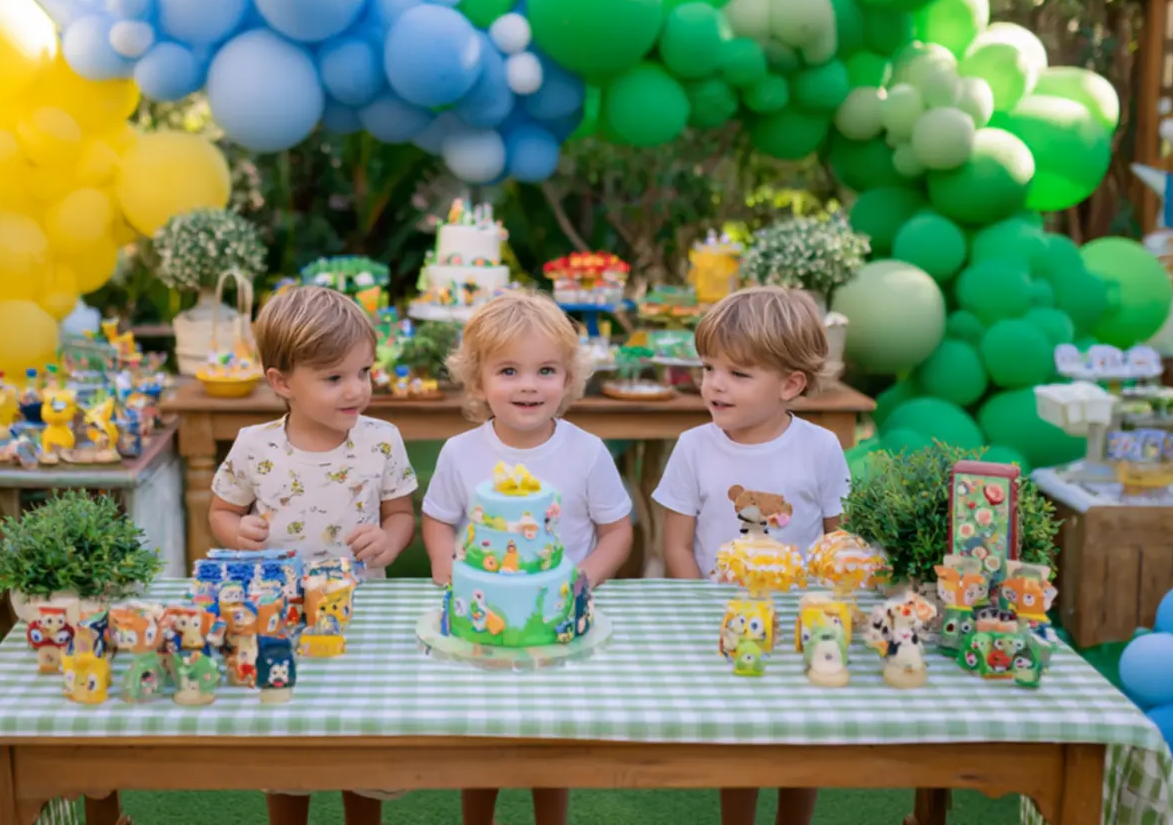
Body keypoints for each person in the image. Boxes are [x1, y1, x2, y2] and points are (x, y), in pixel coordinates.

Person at [420, 290, 634, 825]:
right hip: (482, 624)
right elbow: (438, 518)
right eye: (509, 371)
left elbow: (617, 531)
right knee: (481, 737)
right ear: (477, 381)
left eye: (546, 371)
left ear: (569, 379)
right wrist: (445, 564)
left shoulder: (587, 452)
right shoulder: (460, 453)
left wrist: (585, 576)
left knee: (551, 739)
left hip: (558, 625)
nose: (528, 385)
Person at [209, 285, 418, 825]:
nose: (356, 389)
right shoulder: (254, 446)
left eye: (364, 371)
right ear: (281, 382)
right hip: (279, 619)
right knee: (284, 742)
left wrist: (391, 540)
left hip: (360, 619)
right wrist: (238, 531)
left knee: (360, 739)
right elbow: (221, 512)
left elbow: (401, 513)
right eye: (333, 378)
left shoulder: (381, 440)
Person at [654, 285, 850, 825]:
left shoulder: (821, 447)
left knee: (802, 738)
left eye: (738, 373)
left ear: (790, 384)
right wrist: (702, 607)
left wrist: (829, 613)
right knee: (739, 740)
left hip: (800, 625)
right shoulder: (694, 446)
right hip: (726, 624)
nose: (715, 384)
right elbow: (676, 544)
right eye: (708, 368)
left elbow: (837, 541)